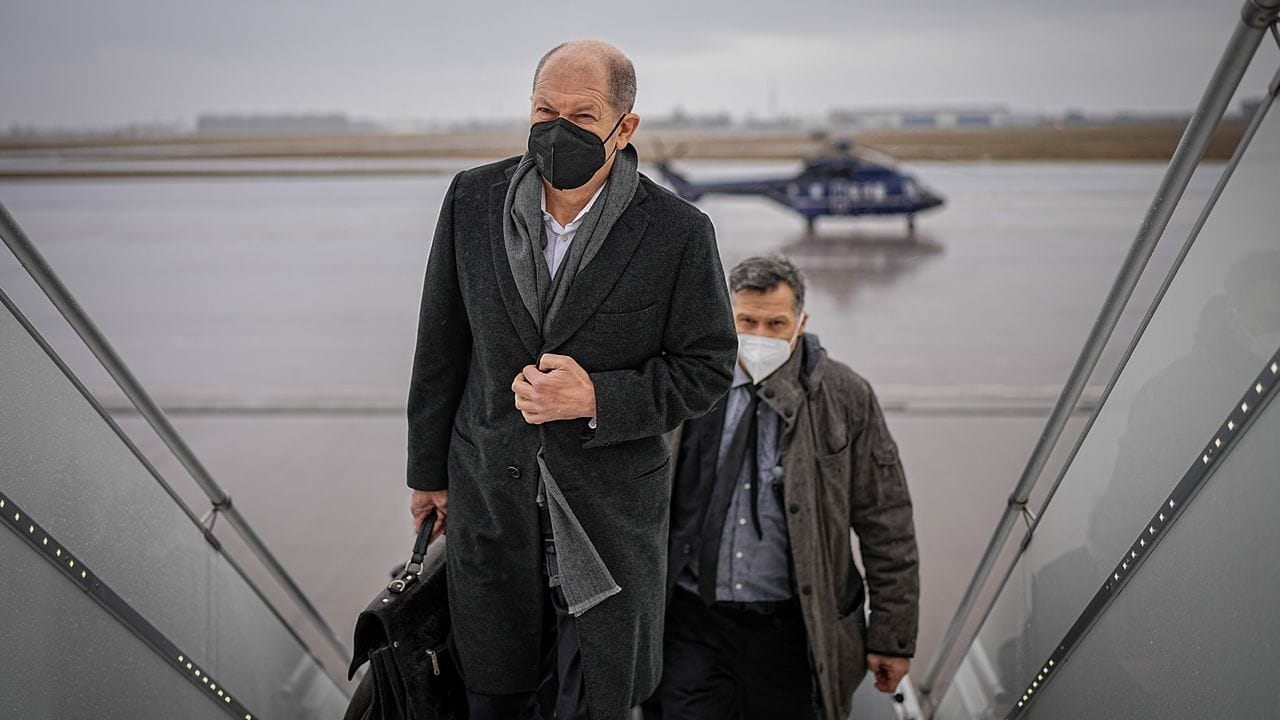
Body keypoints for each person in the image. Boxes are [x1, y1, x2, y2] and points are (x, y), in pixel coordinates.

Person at [404, 39, 738, 720]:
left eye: (582, 117)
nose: (558, 130)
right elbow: (440, 348)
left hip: (608, 524)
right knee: (493, 694)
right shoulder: (473, 199)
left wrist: (598, 398)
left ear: (625, 127)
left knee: (591, 702)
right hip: (492, 504)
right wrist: (427, 475)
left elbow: (707, 368)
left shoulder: (678, 232)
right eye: (543, 110)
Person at [646, 255, 920, 720]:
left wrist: (892, 637)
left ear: (802, 322)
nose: (760, 336)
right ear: (721, 316)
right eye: (746, 321)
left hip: (795, 629)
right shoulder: (683, 387)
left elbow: (886, 522)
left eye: (776, 323)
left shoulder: (846, 397)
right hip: (691, 621)